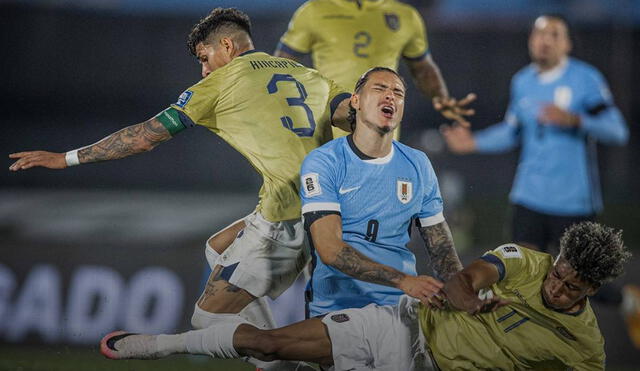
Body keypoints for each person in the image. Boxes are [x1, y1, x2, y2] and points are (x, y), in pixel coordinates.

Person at [9, 7, 354, 371]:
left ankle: (269, 356)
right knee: (218, 247)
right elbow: (353, 116)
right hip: (331, 208)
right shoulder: (308, 74)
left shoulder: (219, 84)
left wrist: (66, 159)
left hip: (286, 217)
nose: (203, 69)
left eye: (205, 58)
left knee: (207, 320)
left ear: (227, 45)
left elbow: (143, 138)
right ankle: (274, 358)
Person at [100, 221, 630, 371]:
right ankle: (158, 345)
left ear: (593, 291)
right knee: (269, 345)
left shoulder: (583, 351)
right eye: (558, 273)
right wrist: (468, 298)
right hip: (404, 330)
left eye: (570, 288)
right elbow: (464, 279)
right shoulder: (525, 262)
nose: (555, 286)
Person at [441, 15, 629, 253]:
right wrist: (474, 142)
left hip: (574, 203)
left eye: (554, 35)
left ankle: (616, 294)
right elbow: (512, 131)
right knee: (524, 276)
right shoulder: (522, 81)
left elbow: (617, 132)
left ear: (567, 44)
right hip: (528, 198)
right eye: (540, 33)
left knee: (572, 281)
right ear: (530, 39)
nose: (545, 41)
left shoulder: (586, 79)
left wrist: (575, 119)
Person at [298, 66, 462, 317]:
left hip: (401, 311)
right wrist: (403, 280)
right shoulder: (324, 161)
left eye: (398, 93)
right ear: (356, 101)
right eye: (379, 88)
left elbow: (441, 250)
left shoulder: (417, 163)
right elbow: (330, 249)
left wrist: (464, 292)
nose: (390, 96)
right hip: (337, 311)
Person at [275, 0, 476, 140]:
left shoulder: (406, 16)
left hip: (382, 134)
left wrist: (440, 96)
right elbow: (282, 66)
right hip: (328, 132)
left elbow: (422, 68)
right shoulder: (314, 11)